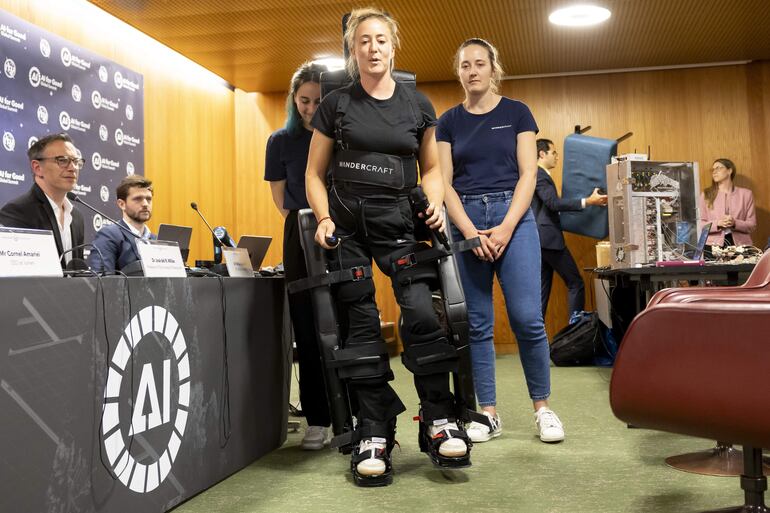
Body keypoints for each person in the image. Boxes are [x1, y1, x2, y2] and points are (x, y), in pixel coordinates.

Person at [305, 7, 471, 486]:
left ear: (393, 47)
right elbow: (314, 174)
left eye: (380, 40)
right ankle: (375, 430)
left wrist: (436, 203)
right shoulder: (336, 105)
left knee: (421, 312)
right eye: (363, 42)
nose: (372, 49)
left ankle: (439, 420)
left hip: (400, 221)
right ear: (353, 51)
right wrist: (323, 218)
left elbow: (434, 169)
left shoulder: (417, 105)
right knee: (359, 322)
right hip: (349, 230)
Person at [436, 38, 564, 445]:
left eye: (479, 64)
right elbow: (444, 183)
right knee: (478, 325)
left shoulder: (517, 113)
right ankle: (487, 413)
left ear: (493, 69)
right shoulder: (448, 121)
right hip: (466, 221)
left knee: (528, 319)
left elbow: (528, 174)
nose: (472, 71)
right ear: (459, 72)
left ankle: (543, 409)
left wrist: (507, 227)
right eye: (465, 66)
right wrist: (470, 232)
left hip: (515, 217)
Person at [264, 61, 332, 450]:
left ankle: (356, 414)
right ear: (294, 100)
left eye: (317, 101)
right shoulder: (280, 141)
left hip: (339, 228)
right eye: (303, 101)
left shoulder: (339, 135)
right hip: (300, 231)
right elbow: (281, 201)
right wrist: (307, 227)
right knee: (306, 326)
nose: (309, 108)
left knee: (346, 319)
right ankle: (317, 419)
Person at [532, 138, 607, 321]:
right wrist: (588, 201)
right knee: (576, 283)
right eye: (554, 152)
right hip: (549, 240)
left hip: (540, 240)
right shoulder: (539, 175)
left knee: (542, 290)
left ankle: (535, 340)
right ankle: (575, 331)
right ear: (542, 154)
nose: (557, 157)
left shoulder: (537, 175)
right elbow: (553, 203)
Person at [0, 133, 85, 267]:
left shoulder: (77, 217)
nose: (73, 168)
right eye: (62, 160)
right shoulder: (18, 212)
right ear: (37, 168)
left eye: (76, 161)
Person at [87, 174, 156, 273]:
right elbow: (101, 282)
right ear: (122, 204)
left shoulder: (156, 240)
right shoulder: (108, 235)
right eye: (138, 199)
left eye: (148, 199)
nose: (145, 204)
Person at [698, 158, 756, 255]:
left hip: (741, 246)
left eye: (718, 168)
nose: (714, 172)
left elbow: (752, 225)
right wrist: (718, 223)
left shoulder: (746, 194)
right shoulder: (706, 194)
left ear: (729, 171)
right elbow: (699, 224)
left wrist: (734, 223)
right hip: (712, 246)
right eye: (713, 169)